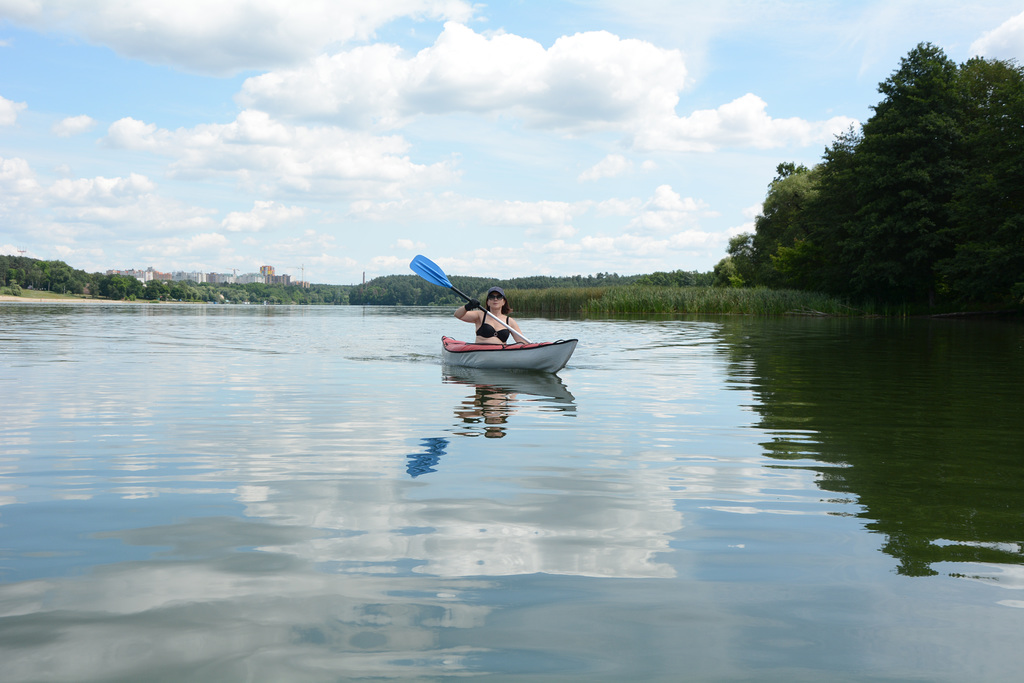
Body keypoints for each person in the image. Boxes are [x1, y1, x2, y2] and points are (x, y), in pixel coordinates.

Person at [454, 286, 526, 344]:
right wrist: (468, 306)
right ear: (488, 302)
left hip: (501, 355)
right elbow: (457, 315)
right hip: (480, 353)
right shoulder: (480, 315)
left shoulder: (509, 321)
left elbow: (522, 342)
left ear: (503, 302)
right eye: (491, 297)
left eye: (499, 297)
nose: (495, 299)